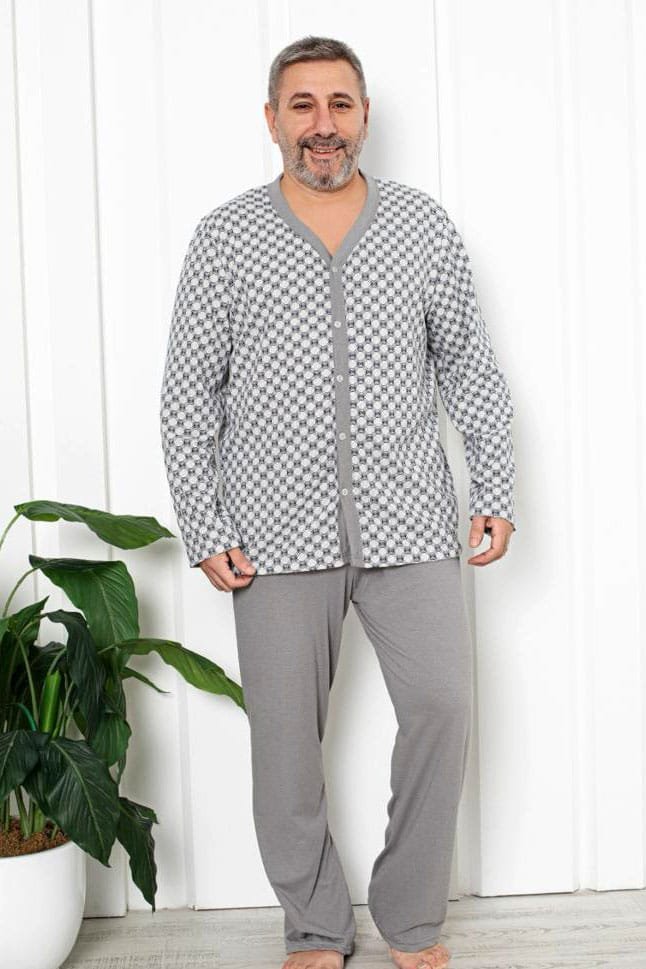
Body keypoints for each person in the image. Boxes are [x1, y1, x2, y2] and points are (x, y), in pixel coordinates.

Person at [160, 35, 516, 969]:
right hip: (272, 534)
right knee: (285, 745)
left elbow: (470, 368)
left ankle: (410, 912)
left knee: (442, 707)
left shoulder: (420, 226)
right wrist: (205, 521)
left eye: (340, 104)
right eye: (304, 105)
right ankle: (316, 926)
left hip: (412, 520)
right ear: (272, 120)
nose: (323, 125)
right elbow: (189, 394)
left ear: (364, 117)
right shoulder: (226, 237)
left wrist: (495, 486)